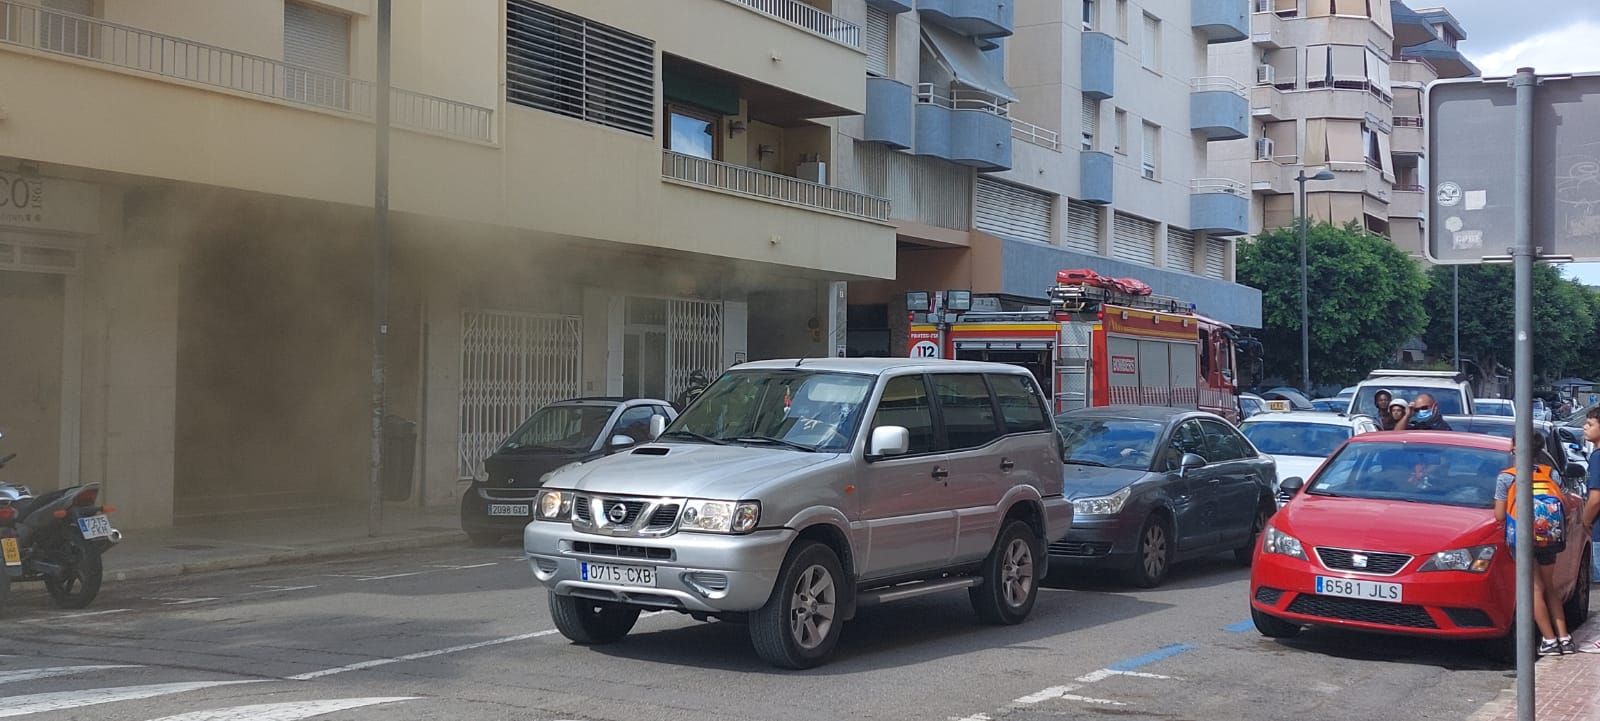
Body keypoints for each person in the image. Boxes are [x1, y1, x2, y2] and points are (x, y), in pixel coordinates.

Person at [1495, 431, 1574, 656]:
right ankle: (1564, 637)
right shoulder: (1550, 473)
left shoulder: (1507, 477)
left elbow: (1500, 515)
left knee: (1532, 588)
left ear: (1514, 448)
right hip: (1549, 536)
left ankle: (1548, 639)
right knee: (1549, 586)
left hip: (1523, 539)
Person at [1578, 408, 1600, 654]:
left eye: (1590, 423)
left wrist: (1584, 522)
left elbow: (1595, 498)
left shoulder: (1597, 457)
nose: (1585, 427)